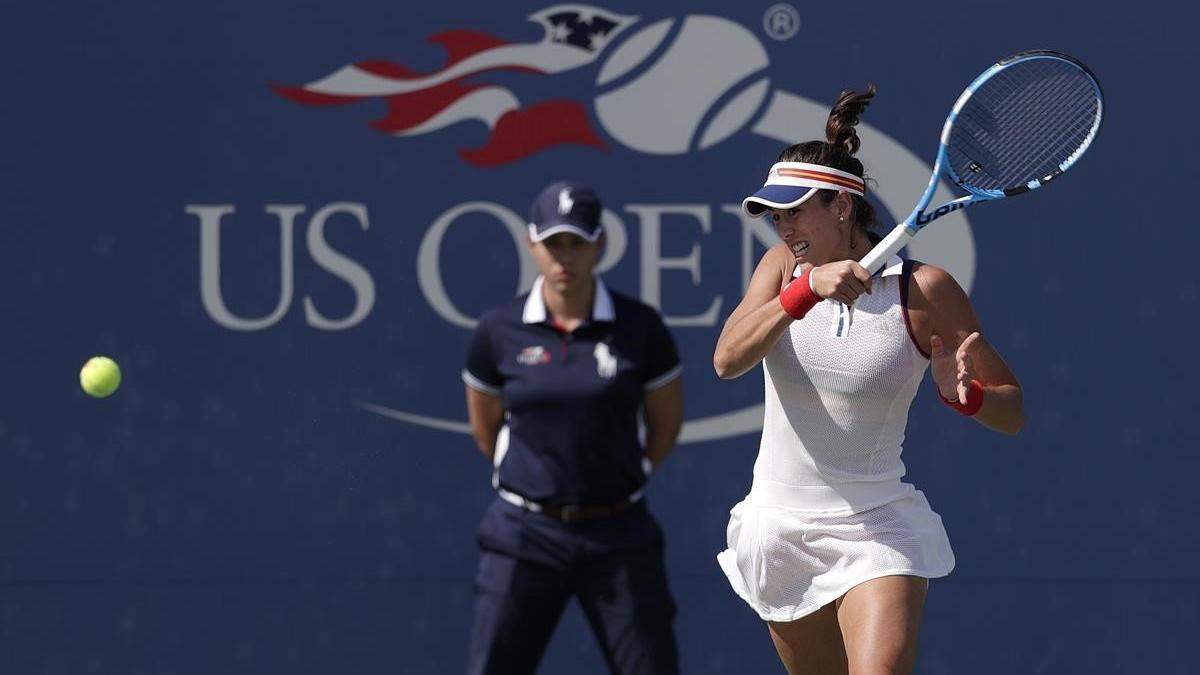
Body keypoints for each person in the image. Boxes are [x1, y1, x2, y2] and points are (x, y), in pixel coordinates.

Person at [712, 85, 1025, 675]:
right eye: (776, 214)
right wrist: (804, 289)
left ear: (842, 207)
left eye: (797, 209)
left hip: (878, 524)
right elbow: (727, 359)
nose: (784, 227)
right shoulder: (781, 269)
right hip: (779, 525)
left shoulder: (926, 290)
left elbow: (1012, 411)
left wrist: (967, 397)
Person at [462, 180, 684, 675]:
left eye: (578, 242)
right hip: (522, 534)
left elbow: (664, 424)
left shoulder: (640, 326)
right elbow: (486, 428)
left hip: (620, 535)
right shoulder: (496, 330)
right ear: (531, 244)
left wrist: (619, 478)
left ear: (600, 243)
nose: (566, 257)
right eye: (554, 243)